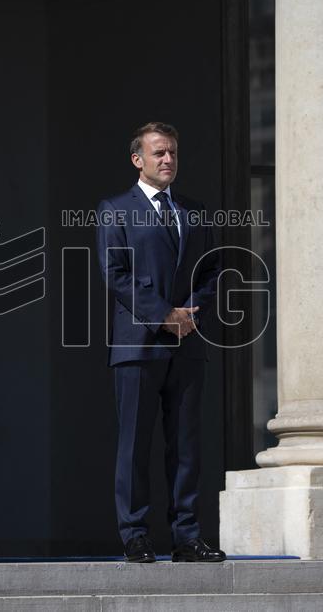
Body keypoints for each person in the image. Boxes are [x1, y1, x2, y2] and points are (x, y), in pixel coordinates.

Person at [95, 122, 224, 563]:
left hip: (188, 342)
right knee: (135, 445)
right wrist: (162, 314)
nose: (167, 160)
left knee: (186, 443)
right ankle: (135, 534)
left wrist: (190, 312)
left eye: (172, 153)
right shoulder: (115, 209)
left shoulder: (195, 210)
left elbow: (212, 271)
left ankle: (186, 535)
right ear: (138, 160)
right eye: (158, 154)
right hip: (138, 345)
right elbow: (115, 274)